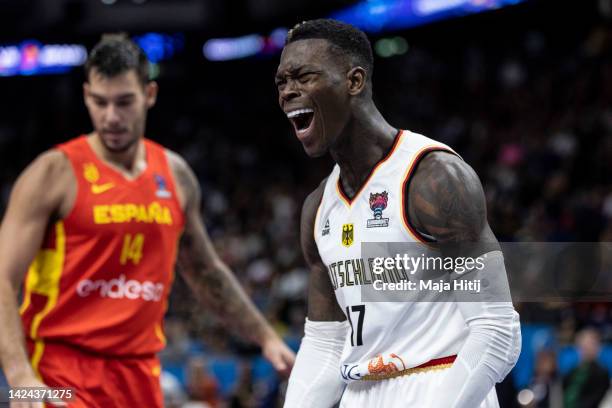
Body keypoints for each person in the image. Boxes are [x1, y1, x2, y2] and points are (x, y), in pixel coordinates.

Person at [0, 34, 294, 408]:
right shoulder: (52, 173)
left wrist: (266, 337)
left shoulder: (174, 175)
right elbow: (3, 280)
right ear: (86, 95)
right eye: (99, 102)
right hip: (58, 375)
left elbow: (206, 271)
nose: (111, 117)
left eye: (124, 102)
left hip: (139, 377)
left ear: (150, 94)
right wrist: (21, 379)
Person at [275, 19, 521, 407]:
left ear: (354, 82)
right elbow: (326, 343)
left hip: (441, 382)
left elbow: (496, 330)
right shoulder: (318, 207)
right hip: (360, 391)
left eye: (303, 76)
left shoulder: (433, 177)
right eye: (282, 83)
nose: (288, 92)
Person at [563, 328, 610, 408]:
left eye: (591, 344)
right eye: (584, 345)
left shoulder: (601, 373)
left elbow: (594, 400)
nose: (587, 348)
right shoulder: (572, 371)